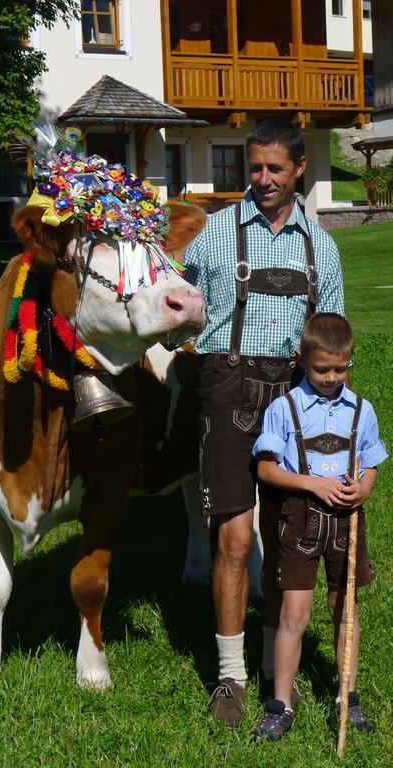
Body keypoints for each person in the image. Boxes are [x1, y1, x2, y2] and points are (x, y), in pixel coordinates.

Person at [184, 117, 345, 729]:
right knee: (233, 539)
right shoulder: (216, 233)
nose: (263, 179)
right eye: (254, 167)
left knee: (284, 542)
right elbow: (178, 303)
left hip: (297, 399)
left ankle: (276, 664)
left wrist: (344, 426)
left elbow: (331, 345)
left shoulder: (321, 245)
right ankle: (230, 677)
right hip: (228, 392)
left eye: (275, 168)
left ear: (299, 168)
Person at [251, 313, 387, 741]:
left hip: (346, 523)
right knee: (294, 612)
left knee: (343, 608)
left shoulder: (362, 411)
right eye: (321, 369)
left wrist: (363, 490)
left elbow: (370, 465)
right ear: (301, 360)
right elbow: (266, 469)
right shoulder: (284, 408)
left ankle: (348, 695)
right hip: (299, 520)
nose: (331, 378)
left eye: (340, 369)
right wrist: (311, 483)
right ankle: (281, 704)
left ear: (351, 360)